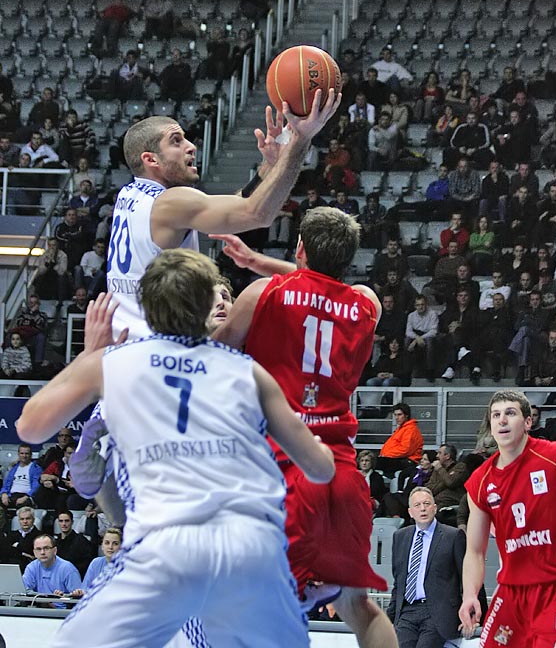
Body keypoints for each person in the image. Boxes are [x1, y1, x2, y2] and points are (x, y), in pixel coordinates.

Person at [17, 254, 335, 648]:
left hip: (166, 546)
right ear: (207, 305)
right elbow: (321, 470)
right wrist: (317, 445)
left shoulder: (114, 362)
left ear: (146, 308)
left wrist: (87, 357)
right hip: (253, 550)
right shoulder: (247, 370)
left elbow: (30, 427)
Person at [212, 207, 398, 648]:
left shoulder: (262, 295)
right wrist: (263, 264)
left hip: (284, 468)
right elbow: (323, 287)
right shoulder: (366, 302)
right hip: (341, 471)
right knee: (359, 607)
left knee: (265, 610)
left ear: (299, 249)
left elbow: (211, 355)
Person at [106, 91, 339, 340]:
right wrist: (301, 141)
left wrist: (268, 168)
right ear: (150, 159)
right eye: (176, 141)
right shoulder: (170, 202)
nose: (191, 146)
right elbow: (257, 213)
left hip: (124, 348)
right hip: (157, 353)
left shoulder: (129, 195)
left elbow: (239, 202)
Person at [459, 389, 556, 647]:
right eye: (496, 415)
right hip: (511, 591)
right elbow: (475, 551)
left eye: (510, 413)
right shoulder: (479, 482)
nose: (502, 420)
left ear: (528, 421)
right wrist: (469, 595)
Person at [387, 486, 468, 648]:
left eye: (426, 503)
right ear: (410, 512)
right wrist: (390, 618)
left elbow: (468, 577)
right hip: (407, 612)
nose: (422, 508)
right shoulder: (400, 536)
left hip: (437, 612)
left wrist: (473, 615)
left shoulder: (453, 536)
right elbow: (399, 581)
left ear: (435, 508)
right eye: (417, 505)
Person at [22, 534, 81, 599]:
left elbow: (78, 598)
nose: (42, 552)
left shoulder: (68, 569)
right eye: (38, 549)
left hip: (62, 608)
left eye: (46, 548)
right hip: (39, 606)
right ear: (34, 552)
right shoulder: (31, 567)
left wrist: (63, 596)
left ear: (55, 550)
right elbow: (24, 591)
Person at [377, 403, 423, 478]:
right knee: (372, 461)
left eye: (399, 415)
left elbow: (405, 450)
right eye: (395, 415)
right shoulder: (402, 428)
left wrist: (386, 455)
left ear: (406, 415)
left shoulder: (410, 429)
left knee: (374, 462)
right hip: (398, 459)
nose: (396, 417)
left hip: (407, 461)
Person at [75, 527, 122, 593]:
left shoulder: (128, 566)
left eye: (115, 544)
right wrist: (79, 592)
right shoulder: (95, 563)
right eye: (107, 543)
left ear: (121, 547)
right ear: (102, 546)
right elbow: (85, 589)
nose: (110, 547)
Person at [0, 505, 39, 572]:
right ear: (19, 520)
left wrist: (16, 546)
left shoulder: (40, 535)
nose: (25, 521)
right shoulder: (12, 534)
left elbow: (29, 551)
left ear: (33, 519)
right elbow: (5, 550)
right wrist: (23, 553)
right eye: (22, 519)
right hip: (11, 567)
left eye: (28, 518)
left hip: (29, 568)